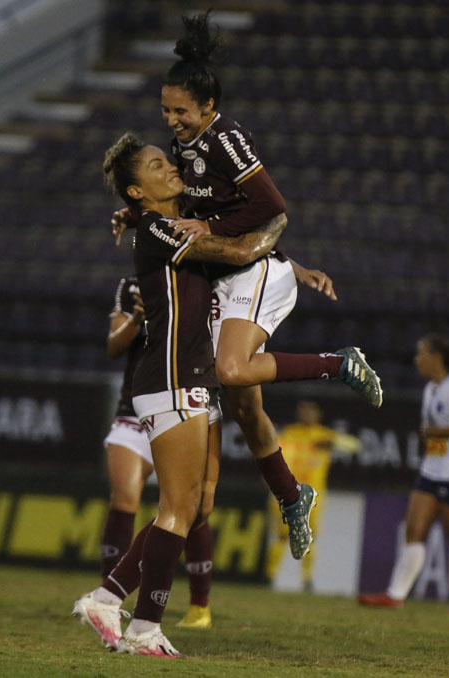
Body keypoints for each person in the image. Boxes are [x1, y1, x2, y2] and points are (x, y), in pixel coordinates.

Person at [113, 11, 383, 563]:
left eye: (180, 110)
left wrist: (220, 233)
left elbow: (270, 207)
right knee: (243, 408)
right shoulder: (185, 144)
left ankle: (340, 363)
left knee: (232, 370)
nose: (172, 119)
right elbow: (202, 207)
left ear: (207, 107)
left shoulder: (225, 138)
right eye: (166, 109)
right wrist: (137, 209)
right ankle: (291, 494)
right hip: (232, 273)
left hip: (251, 271)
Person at [74, 133, 288, 657]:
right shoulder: (157, 228)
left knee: (189, 507)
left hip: (184, 376)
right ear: (136, 191)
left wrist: (288, 263)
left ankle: (111, 601)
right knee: (178, 507)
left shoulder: (169, 220)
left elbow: (233, 259)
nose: (170, 166)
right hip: (170, 376)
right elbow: (239, 249)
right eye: (155, 165)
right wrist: (276, 223)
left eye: (166, 158)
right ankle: (139, 624)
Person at [100, 275, 215, 629]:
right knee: (124, 500)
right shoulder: (134, 285)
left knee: (192, 504)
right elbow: (113, 346)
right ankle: (109, 599)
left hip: (186, 403)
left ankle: (199, 606)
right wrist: (136, 319)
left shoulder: (202, 281)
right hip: (135, 409)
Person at [359, 334, 449, 617]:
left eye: (422, 354)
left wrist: (435, 433)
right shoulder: (431, 388)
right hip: (432, 470)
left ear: (437, 358)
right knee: (414, 530)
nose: (417, 360)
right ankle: (395, 595)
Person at [265, 400, 359, 592]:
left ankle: (306, 579)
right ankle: (270, 575)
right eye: (303, 411)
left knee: (308, 535)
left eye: (310, 412)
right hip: (287, 492)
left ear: (318, 415)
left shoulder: (324, 436)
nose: (306, 415)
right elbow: (273, 455)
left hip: (312, 495)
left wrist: (334, 442)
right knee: (283, 535)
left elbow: (355, 446)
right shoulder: (290, 433)